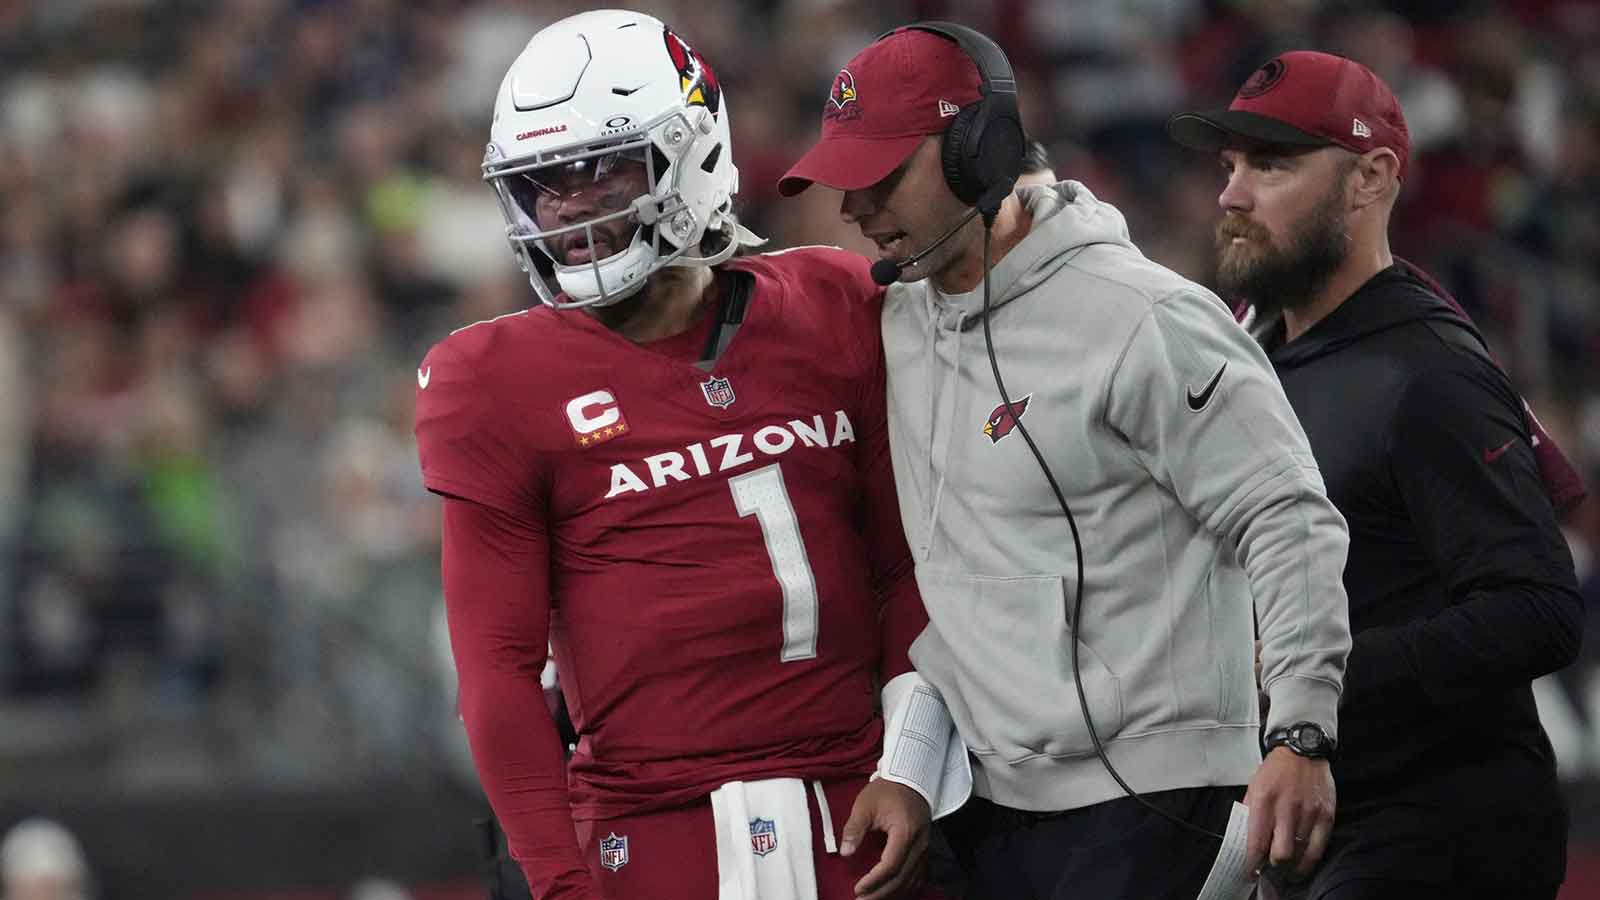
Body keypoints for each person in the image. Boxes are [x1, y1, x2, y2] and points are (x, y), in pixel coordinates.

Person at [779, 23, 1353, 900]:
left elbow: (1286, 517)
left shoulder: (1145, 316)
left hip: (1153, 803)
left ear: (981, 153)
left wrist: (1302, 733)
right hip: (985, 806)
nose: (854, 210)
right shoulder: (897, 321)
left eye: (881, 177)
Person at [414, 11, 957, 900]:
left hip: (857, 801)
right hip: (649, 825)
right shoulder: (492, 381)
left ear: (692, 151)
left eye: (599, 171)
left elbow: (909, 566)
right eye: (544, 182)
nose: (570, 206)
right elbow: (497, 672)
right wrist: (557, 883)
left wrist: (912, 762)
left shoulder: (838, 303)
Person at [1167, 51, 1585, 900]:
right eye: (1231, 164)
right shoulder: (1251, 353)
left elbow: (1537, 609)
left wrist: (1312, 683)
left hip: (1437, 822)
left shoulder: (1427, 375)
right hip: (1304, 816)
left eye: (1272, 163)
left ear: (1371, 178)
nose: (1233, 193)